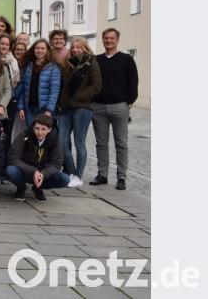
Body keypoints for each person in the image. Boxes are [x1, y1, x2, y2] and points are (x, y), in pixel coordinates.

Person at [90, 28, 138, 191]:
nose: (109, 41)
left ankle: (121, 177)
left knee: (121, 143)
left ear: (117, 40)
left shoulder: (126, 59)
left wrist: (128, 102)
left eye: (112, 38)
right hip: (98, 107)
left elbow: (133, 82)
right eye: (106, 38)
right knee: (101, 143)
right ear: (102, 40)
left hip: (119, 106)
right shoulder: (96, 60)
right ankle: (102, 174)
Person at [58, 37, 102, 187]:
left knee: (79, 142)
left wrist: (78, 97)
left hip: (82, 108)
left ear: (85, 48)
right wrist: (62, 103)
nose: (75, 50)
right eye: (73, 47)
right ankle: (71, 172)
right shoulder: (68, 63)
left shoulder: (91, 63)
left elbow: (96, 86)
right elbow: (64, 86)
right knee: (61, 141)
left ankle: (78, 176)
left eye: (79, 47)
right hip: (66, 108)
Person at [5, 114, 69, 201]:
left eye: (43, 129)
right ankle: (21, 187)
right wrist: (33, 171)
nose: (39, 132)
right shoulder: (24, 135)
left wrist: (43, 173)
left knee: (64, 179)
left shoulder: (55, 140)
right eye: (37, 128)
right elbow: (13, 158)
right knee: (10, 170)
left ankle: (37, 188)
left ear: (49, 129)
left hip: (43, 174)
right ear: (33, 127)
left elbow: (56, 163)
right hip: (25, 171)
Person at [17, 39, 61, 126]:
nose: (39, 50)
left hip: (44, 110)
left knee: (42, 135)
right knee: (31, 134)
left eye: (42, 48)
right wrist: (21, 107)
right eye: (37, 48)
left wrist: (49, 110)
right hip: (29, 108)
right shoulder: (29, 66)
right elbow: (23, 88)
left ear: (47, 50)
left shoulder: (53, 67)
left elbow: (54, 91)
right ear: (33, 50)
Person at [0, 34, 21, 151]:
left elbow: (16, 81)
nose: (4, 46)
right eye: (2, 43)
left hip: (11, 101)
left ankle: (6, 160)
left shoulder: (12, 61)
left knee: (8, 131)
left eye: (7, 44)